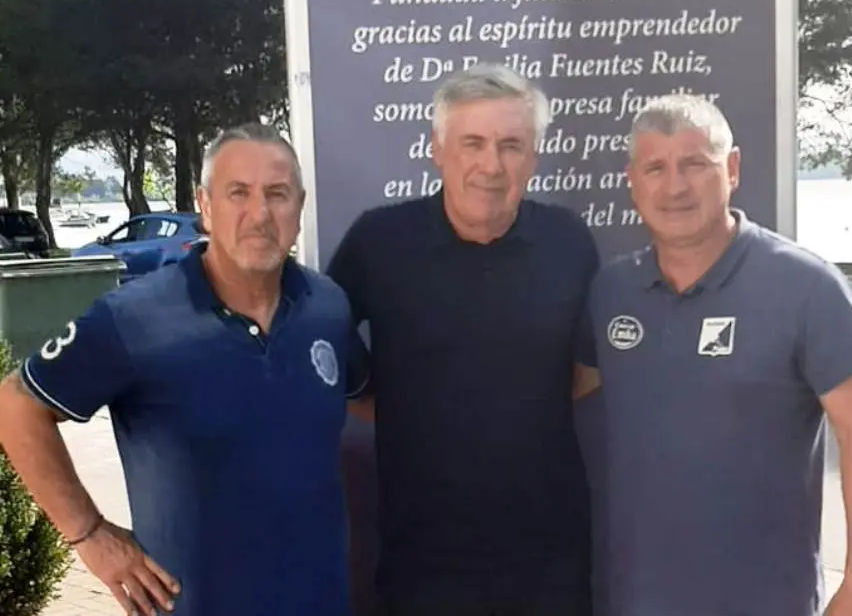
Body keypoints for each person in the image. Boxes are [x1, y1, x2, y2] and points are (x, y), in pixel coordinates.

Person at [0, 123, 365, 616]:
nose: (259, 214)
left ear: (299, 205)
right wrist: (90, 535)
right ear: (206, 206)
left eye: (277, 194)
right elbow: (15, 406)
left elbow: (370, 401)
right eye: (238, 193)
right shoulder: (135, 318)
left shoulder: (328, 305)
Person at [574, 94, 852, 616]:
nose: (675, 186)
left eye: (695, 165)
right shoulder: (610, 292)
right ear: (632, 181)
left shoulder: (808, 288)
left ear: (733, 169)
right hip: (627, 598)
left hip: (766, 599)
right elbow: (577, 411)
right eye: (656, 167)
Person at [328, 63, 599, 616]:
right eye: (472, 142)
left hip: (549, 561)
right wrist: (398, 407)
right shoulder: (378, 241)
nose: (490, 165)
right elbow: (321, 345)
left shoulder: (569, 243)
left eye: (511, 145)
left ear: (535, 156)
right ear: (437, 148)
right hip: (422, 561)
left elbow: (587, 373)